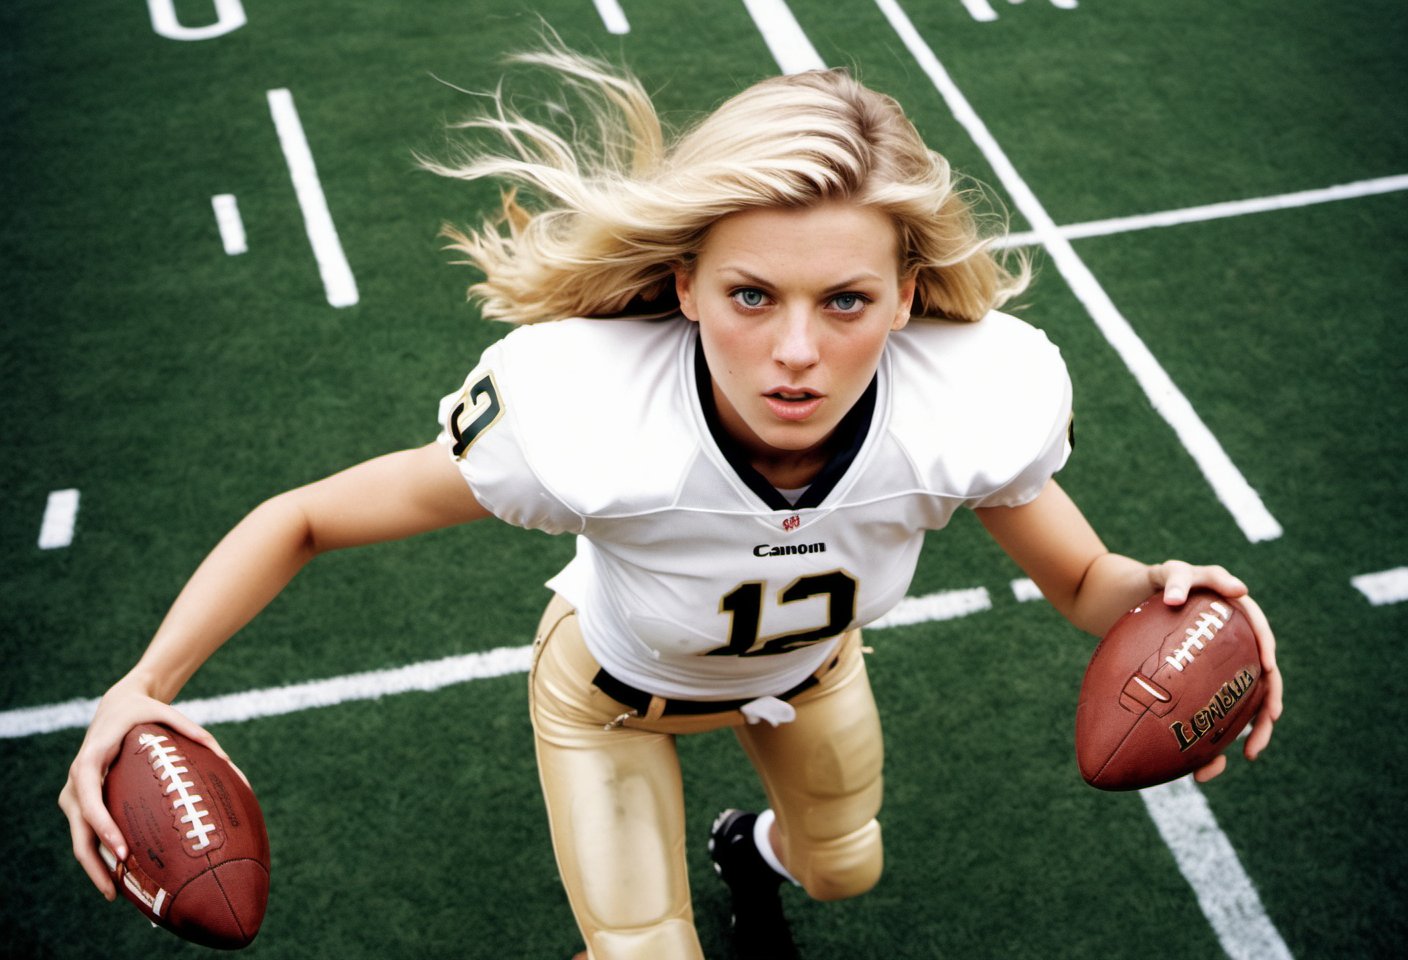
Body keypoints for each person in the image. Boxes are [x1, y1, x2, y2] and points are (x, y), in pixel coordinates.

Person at [58, 46, 1282, 960]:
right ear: (686, 283)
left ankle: (740, 851)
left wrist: (1179, 598)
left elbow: (1083, 582)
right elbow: (306, 517)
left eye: (845, 301)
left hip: (810, 671)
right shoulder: (586, 416)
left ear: (908, 296)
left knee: (845, 874)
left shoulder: (970, 401)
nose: (795, 352)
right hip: (608, 701)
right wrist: (143, 689)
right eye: (754, 295)